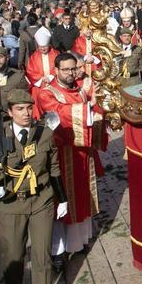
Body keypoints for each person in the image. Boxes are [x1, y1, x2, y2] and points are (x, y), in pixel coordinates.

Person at [0, 89, 67, 284]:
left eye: (29, 108)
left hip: (41, 201)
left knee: (41, 259)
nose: (26, 113)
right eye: (20, 109)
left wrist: (62, 198)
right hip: (10, 204)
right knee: (14, 254)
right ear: (9, 112)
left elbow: (53, 168)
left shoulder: (44, 134)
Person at [32, 52, 99, 261]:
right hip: (60, 155)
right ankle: (59, 248)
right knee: (63, 200)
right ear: (56, 71)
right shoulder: (47, 93)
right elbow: (58, 114)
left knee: (81, 194)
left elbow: (91, 111)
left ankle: (78, 241)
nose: (71, 73)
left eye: (74, 69)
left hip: (81, 153)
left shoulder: (79, 90)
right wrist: (87, 110)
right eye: (67, 70)